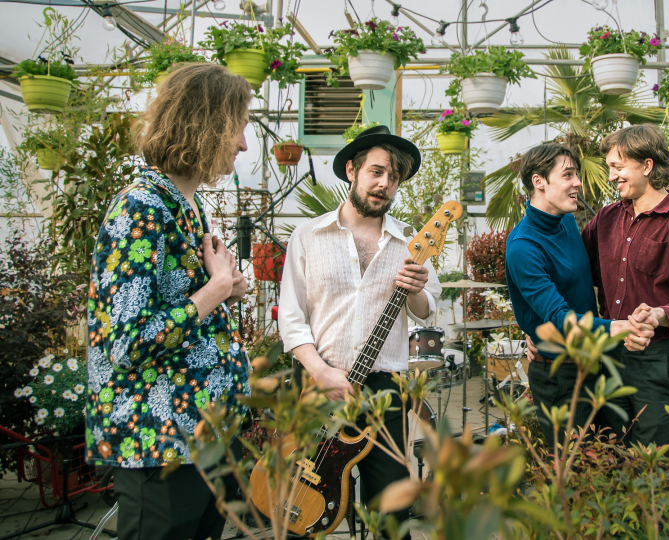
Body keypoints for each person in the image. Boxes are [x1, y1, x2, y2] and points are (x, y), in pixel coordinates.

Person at [85, 63, 252, 540]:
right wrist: (213, 291)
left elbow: (179, 306)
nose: (243, 144)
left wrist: (223, 287)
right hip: (158, 440)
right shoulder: (140, 208)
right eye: (238, 127)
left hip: (201, 435)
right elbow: (128, 342)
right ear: (207, 123)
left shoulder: (183, 205)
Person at [278, 125, 442, 534]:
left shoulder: (412, 241)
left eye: (394, 178)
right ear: (351, 169)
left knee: (391, 508)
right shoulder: (309, 236)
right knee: (304, 497)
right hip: (317, 382)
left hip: (385, 390)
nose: (385, 184)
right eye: (377, 171)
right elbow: (292, 318)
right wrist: (319, 371)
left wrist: (417, 290)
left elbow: (428, 311)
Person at [505, 143, 655, 447]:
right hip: (561, 376)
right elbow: (559, 318)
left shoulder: (565, 222)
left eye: (576, 174)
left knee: (607, 465)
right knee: (573, 474)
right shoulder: (524, 246)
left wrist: (534, 329)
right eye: (568, 175)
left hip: (594, 363)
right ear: (539, 182)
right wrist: (622, 326)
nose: (578, 183)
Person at [581, 124, 669, 455]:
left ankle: (657, 509)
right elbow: (575, 271)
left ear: (648, 165)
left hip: (657, 358)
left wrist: (658, 314)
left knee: (652, 459)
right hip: (609, 350)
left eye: (618, 167)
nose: (611, 177)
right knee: (606, 450)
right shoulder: (606, 219)